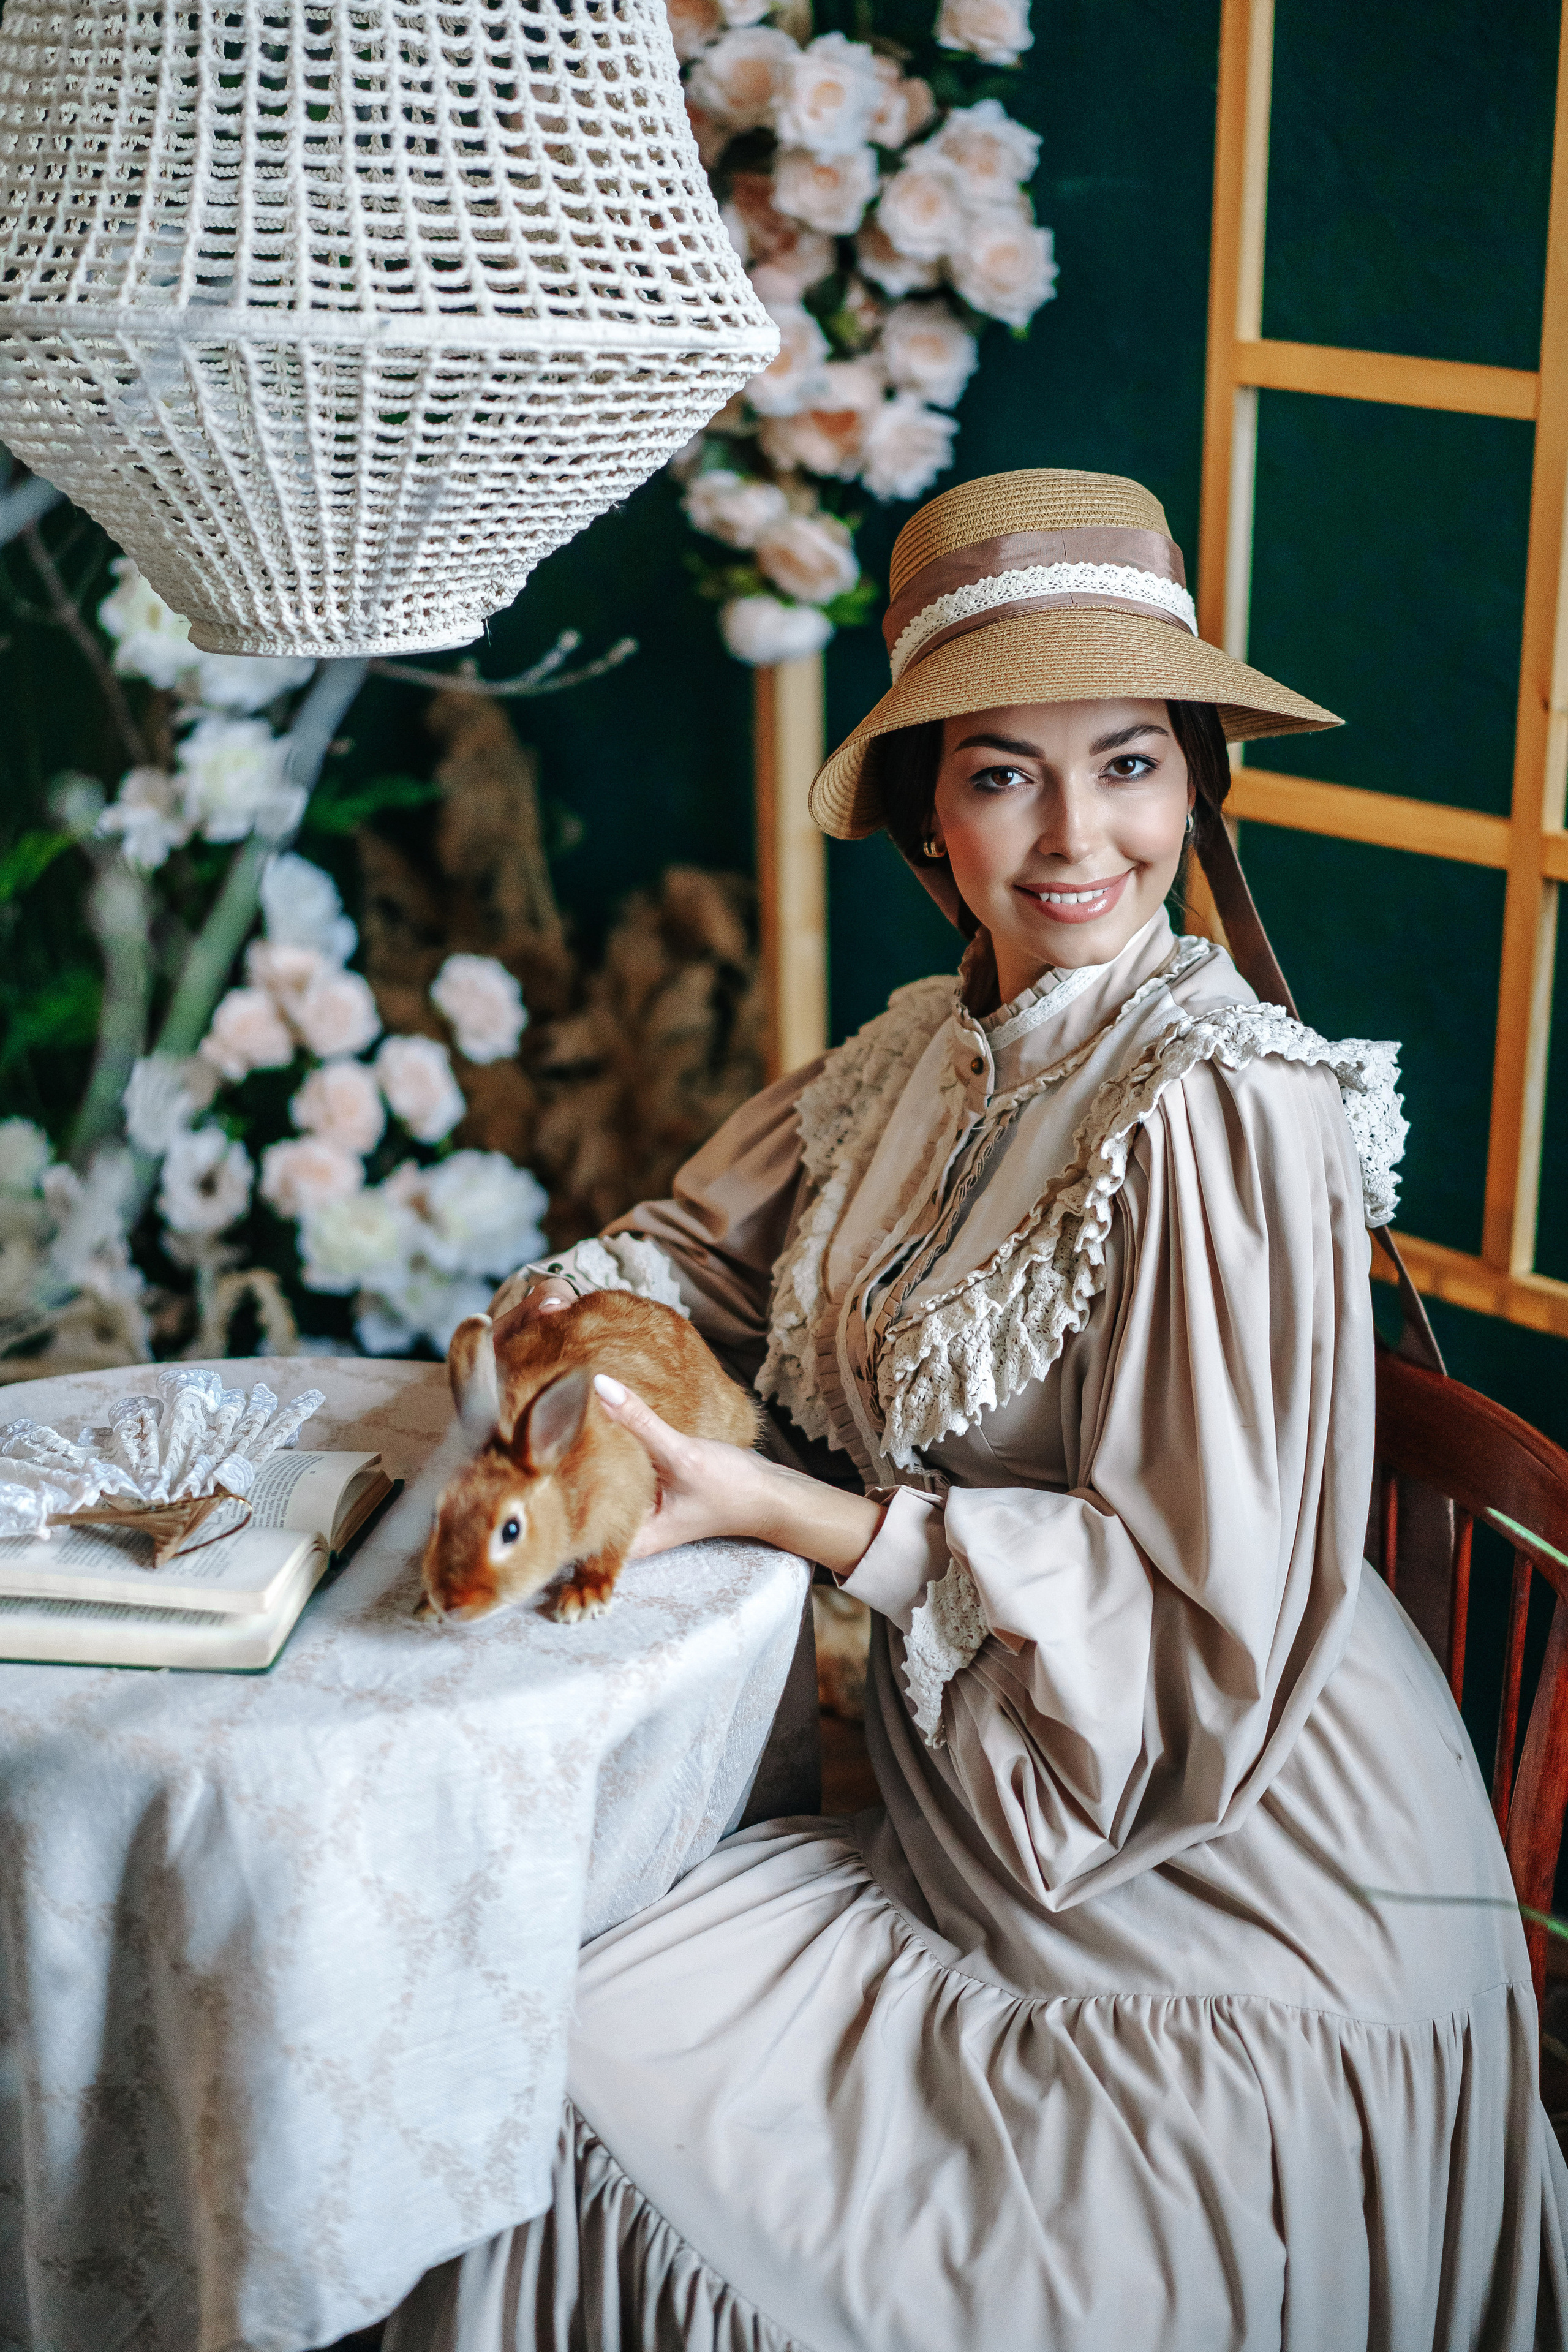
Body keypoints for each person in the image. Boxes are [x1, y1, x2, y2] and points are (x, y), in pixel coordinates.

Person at [387, 470, 1568, 2350]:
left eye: (1129, 764)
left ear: (1193, 787)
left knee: (574, 2071)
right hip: (975, 1828)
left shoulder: (1222, 1114)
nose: (1075, 834)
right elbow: (691, 1256)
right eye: (1006, 772)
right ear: (933, 816)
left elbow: (1192, 1619)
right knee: (501, 2017)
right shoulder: (919, 1061)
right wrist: (590, 1320)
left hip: (1214, 1864)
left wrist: (795, 1516)